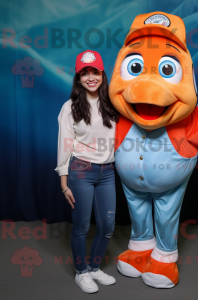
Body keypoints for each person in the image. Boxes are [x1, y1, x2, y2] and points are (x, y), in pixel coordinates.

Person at [54, 50, 119, 293]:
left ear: (103, 73)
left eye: (95, 71)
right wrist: (64, 182)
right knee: (81, 226)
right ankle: (81, 273)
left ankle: (93, 267)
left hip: (108, 172)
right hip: (81, 170)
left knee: (108, 225)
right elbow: (64, 144)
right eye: (84, 73)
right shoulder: (69, 107)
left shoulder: (113, 103)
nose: (90, 77)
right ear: (78, 77)